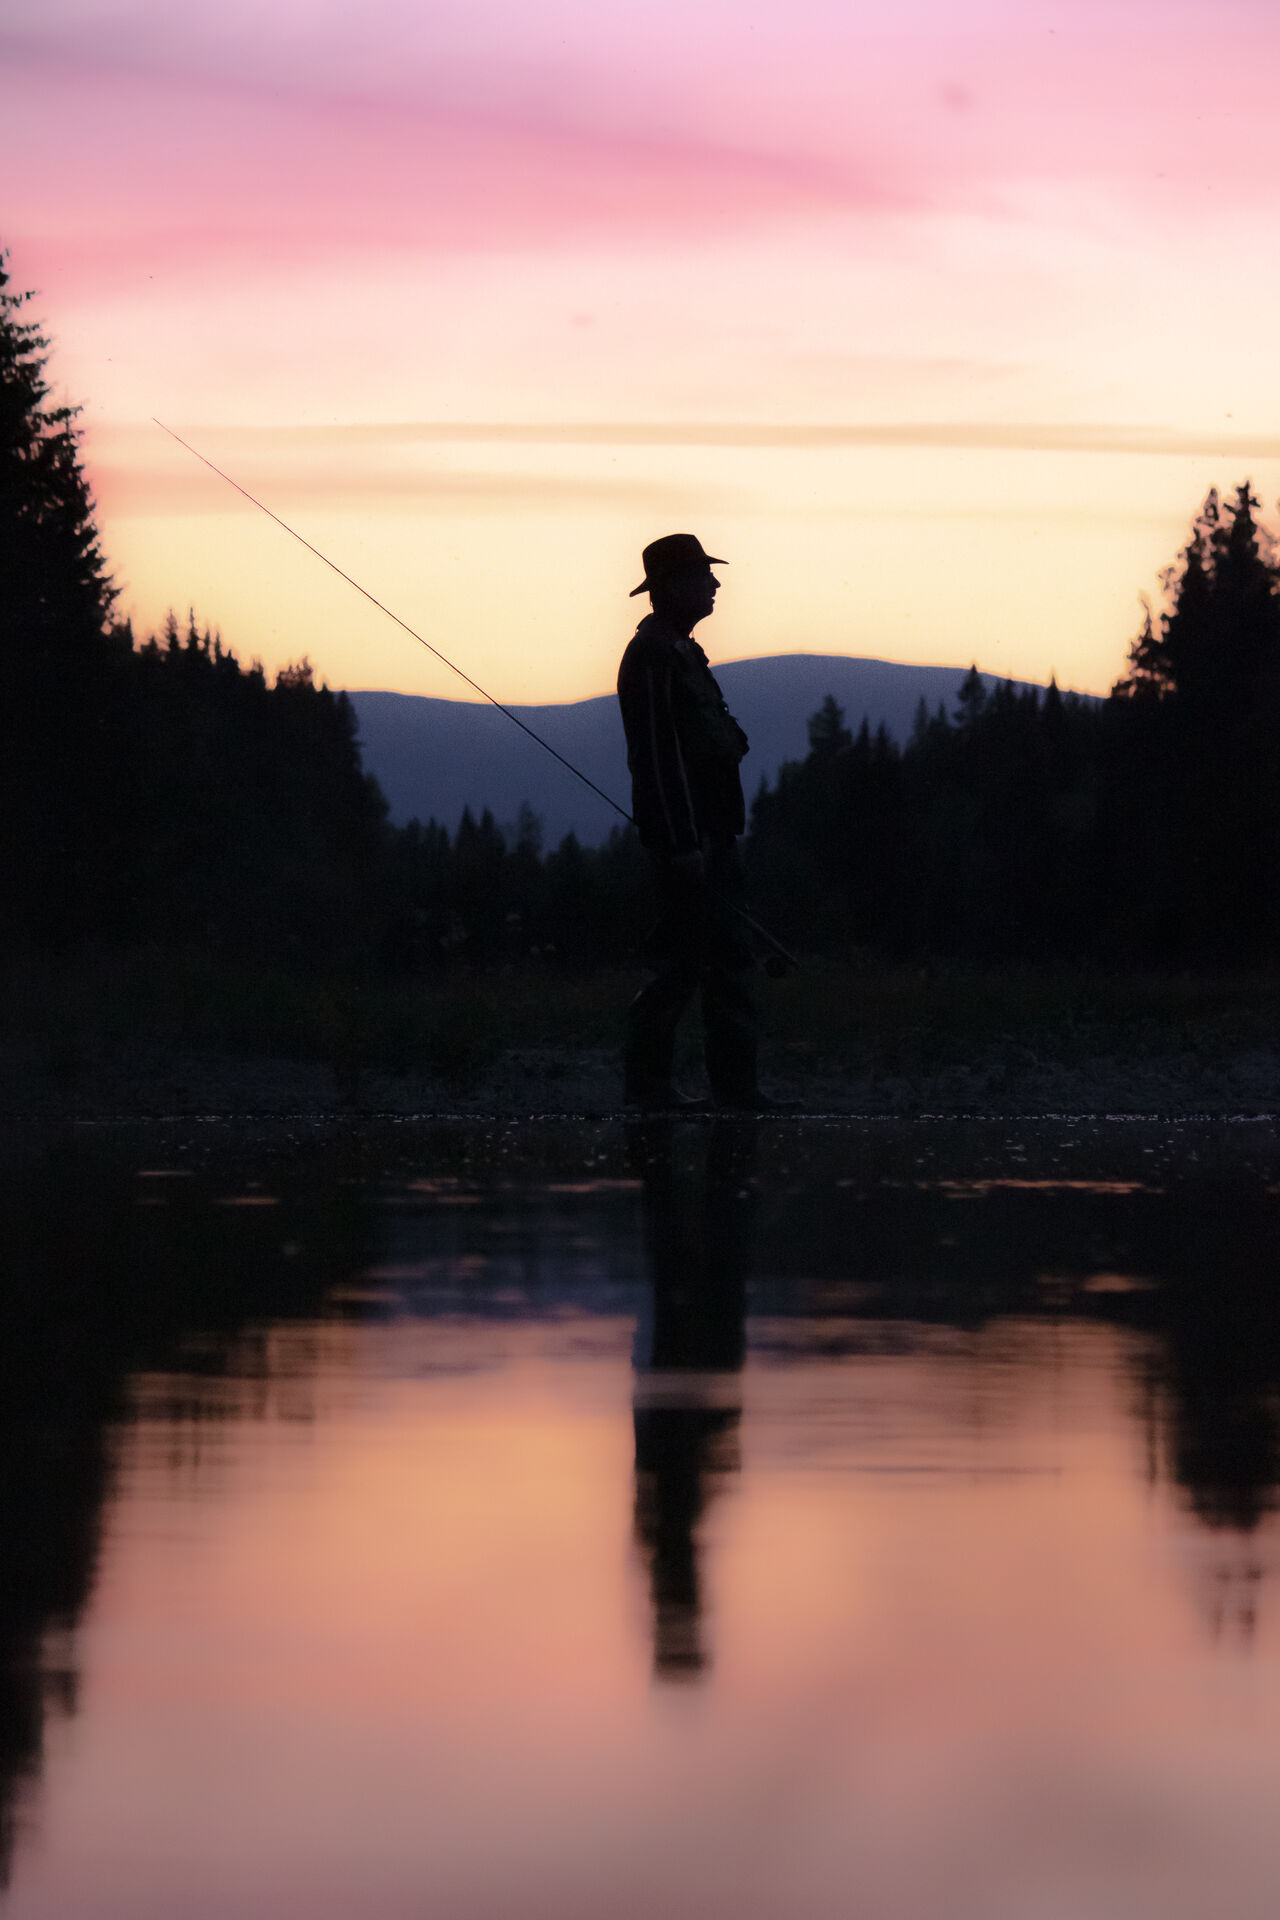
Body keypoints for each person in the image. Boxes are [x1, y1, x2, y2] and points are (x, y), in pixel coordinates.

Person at [617, 533, 787, 1112]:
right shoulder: (653, 656)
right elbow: (657, 757)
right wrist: (681, 843)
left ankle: (735, 1091)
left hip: (713, 835)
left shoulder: (681, 652)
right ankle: (649, 1090)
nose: (715, 584)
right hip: (689, 842)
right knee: (679, 966)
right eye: (702, 576)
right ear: (671, 587)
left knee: (729, 961)